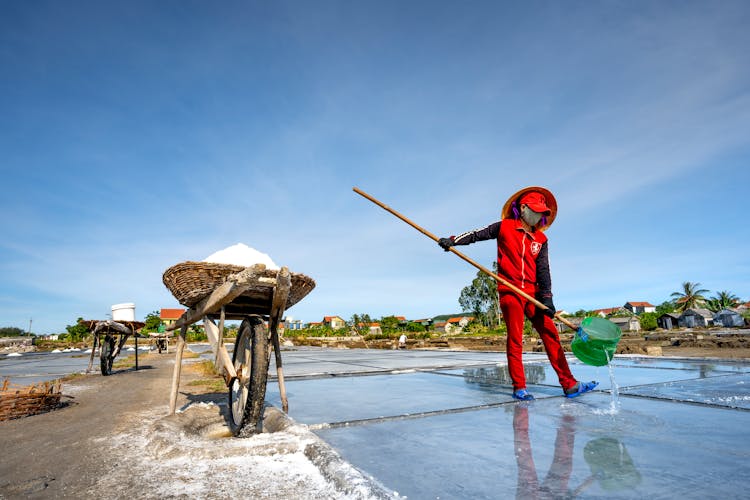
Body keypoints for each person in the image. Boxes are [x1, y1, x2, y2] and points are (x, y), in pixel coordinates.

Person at [438, 186, 597, 401]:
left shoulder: (540, 240)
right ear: (522, 208)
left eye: (542, 212)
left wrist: (548, 297)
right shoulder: (503, 227)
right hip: (510, 290)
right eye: (536, 210)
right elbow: (476, 234)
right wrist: (453, 241)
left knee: (551, 335)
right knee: (516, 338)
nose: (539, 215)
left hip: (534, 293)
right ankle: (519, 387)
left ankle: (569, 384)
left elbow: (543, 270)